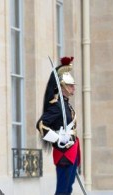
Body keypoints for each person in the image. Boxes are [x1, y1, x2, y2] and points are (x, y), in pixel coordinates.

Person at [36, 57, 81, 195]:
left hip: (72, 150)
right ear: (62, 86)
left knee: (68, 189)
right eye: (70, 85)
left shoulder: (66, 104)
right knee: (62, 190)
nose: (73, 87)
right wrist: (58, 138)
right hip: (64, 153)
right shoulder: (56, 105)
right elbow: (41, 124)